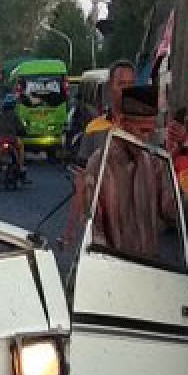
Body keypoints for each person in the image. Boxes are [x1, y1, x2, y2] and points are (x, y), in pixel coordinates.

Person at [79, 83, 184, 375]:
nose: (146, 137)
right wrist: (106, 280)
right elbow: (95, 227)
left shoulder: (153, 163)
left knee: (151, 352)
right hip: (114, 276)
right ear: (121, 122)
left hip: (148, 272)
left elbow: (171, 208)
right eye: (140, 131)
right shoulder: (100, 164)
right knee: (112, 357)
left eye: (149, 130)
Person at [59, 60, 138, 249]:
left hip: (136, 229)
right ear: (111, 88)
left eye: (131, 85)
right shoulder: (95, 129)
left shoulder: (145, 129)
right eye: (121, 84)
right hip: (100, 227)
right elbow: (81, 184)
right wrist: (69, 232)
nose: (126, 90)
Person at [0, 94, 28, 182]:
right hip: (12, 139)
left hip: (0, 139)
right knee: (21, 148)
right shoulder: (15, 116)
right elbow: (20, 128)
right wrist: (24, 132)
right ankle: (21, 166)